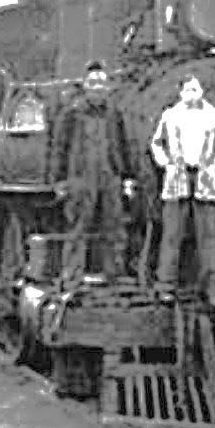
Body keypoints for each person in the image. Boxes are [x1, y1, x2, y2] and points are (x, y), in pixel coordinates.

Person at [50, 61, 137, 284]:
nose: (98, 87)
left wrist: (127, 176)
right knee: (78, 226)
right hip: (80, 176)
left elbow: (123, 145)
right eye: (93, 82)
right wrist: (59, 180)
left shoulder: (114, 114)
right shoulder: (72, 113)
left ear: (107, 86)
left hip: (110, 175)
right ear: (85, 85)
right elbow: (60, 147)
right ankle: (72, 275)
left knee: (114, 226)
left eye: (101, 82)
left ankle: (114, 274)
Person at [150, 74, 215, 305]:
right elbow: (156, 143)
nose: (192, 94)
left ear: (202, 91)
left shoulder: (213, 115)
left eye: (195, 89)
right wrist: (166, 163)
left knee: (207, 236)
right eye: (187, 89)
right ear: (180, 93)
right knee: (172, 235)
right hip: (177, 177)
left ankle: (211, 288)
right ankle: (165, 285)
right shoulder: (170, 115)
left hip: (204, 177)